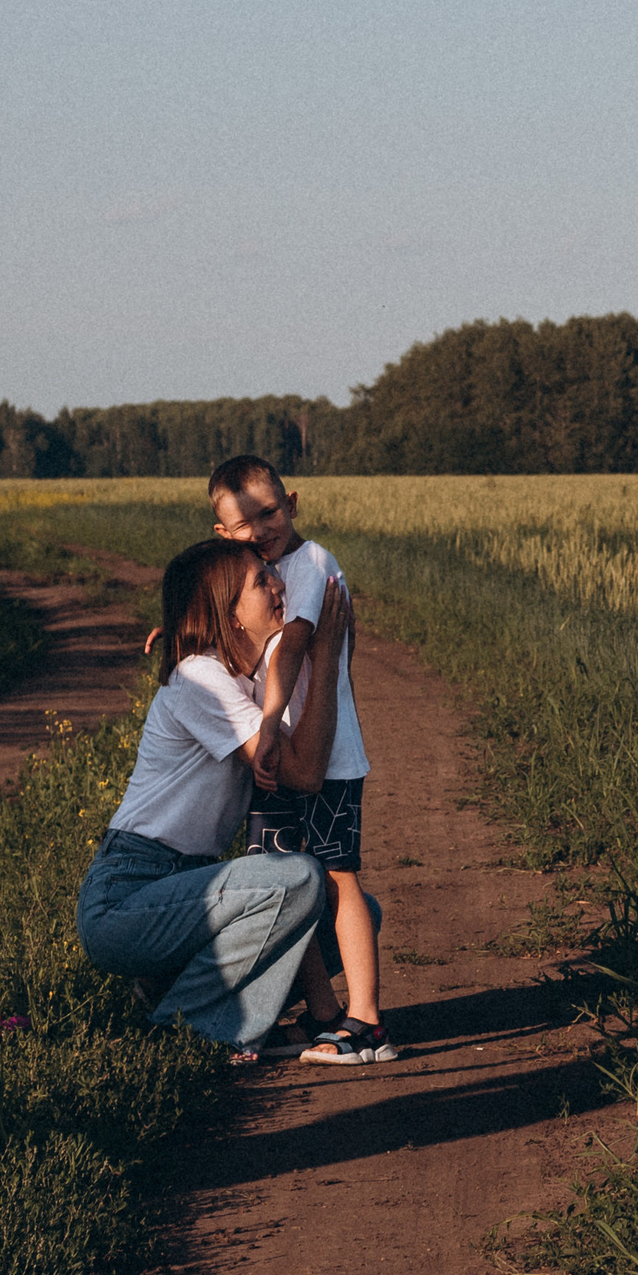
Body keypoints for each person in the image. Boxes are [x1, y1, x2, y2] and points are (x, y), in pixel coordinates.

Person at [75, 540, 353, 1056]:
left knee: (358, 918)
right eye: (261, 581)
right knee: (300, 879)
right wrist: (328, 656)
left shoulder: (248, 683)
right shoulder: (200, 678)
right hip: (129, 894)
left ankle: (179, 991)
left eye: (274, 573)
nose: (279, 585)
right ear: (229, 614)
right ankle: (182, 1032)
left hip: (188, 891)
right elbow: (307, 774)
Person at [209, 454, 396, 1064]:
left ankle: (366, 1020)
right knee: (288, 884)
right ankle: (323, 1015)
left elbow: (291, 645)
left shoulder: (312, 562)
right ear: (222, 534)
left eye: (269, 513)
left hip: (329, 759)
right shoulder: (246, 574)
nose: (261, 530)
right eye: (244, 523)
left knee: (340, 881)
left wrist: (266, 724)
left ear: (292, 503)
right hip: (279, 762)